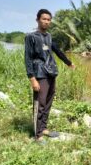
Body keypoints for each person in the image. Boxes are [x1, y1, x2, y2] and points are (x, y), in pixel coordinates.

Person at [25, 9, 75, 142]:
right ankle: (37, 135)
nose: (46, 21)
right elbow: (28, 59)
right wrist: (32, 78)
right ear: (37, 20)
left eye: (48, 19)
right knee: (39, 103)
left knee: (48, 102)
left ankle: (44, 128)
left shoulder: (49, 37)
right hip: (39, 74)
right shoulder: (31, 37)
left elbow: (57, 51)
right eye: (44, 19)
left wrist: (68, 62)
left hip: (50, 72)